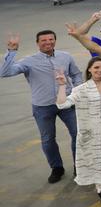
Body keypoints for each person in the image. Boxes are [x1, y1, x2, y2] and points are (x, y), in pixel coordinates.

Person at [4, 30, 83, 183]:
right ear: (37, 43)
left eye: (51, 39)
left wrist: (77, 90)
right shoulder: (29, 61)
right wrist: (12, 51)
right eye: (44, 40)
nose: (48, 42)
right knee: (48, 139)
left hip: (66, 103)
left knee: (77, 134)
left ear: (55, 40)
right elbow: (5, 72)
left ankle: (78, 165)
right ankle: (56, 168)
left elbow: (76, 74)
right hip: (43, 106)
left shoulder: (65, 56)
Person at [53, 55, 101, 205]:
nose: (100, 70)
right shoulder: (82, 89)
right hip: (98, 126)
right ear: (90, 69)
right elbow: (62, 104)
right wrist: (61, 86)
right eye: (96, 67)